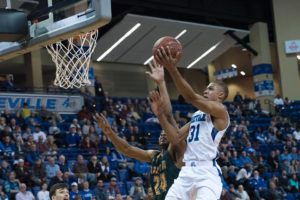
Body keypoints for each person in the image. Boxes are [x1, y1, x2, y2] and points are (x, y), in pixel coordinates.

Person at [95, 60, 186, 200]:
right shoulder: (154, 156)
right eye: (161, 132)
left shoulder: (178, 151)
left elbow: (168, 116)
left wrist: (161, 84)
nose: (162, 133)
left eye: (165, 132)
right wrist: (110, 134)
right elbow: (127, 150)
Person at [154, 46, 230, 200]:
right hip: (187, 172)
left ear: (220, 95)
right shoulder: (197, 115)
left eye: (210, 89)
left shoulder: (221, 111)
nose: (205, 91)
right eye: (206, 89)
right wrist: (161, 117)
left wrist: (172, 68)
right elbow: (175, 137)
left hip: (207, 173)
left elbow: (191, 97)